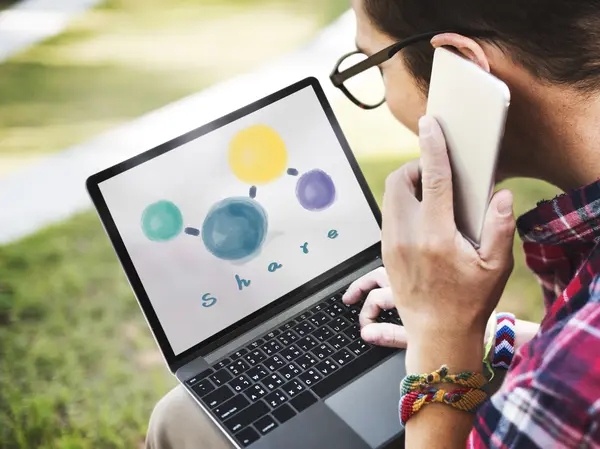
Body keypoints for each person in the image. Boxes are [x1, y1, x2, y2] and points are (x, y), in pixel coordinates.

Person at [146, 0, 600, 447]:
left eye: (375, 66)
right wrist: (486, 335)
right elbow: (568, 353)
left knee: (178, 421)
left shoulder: (571, 389)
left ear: (463, 69)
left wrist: (443, 338)